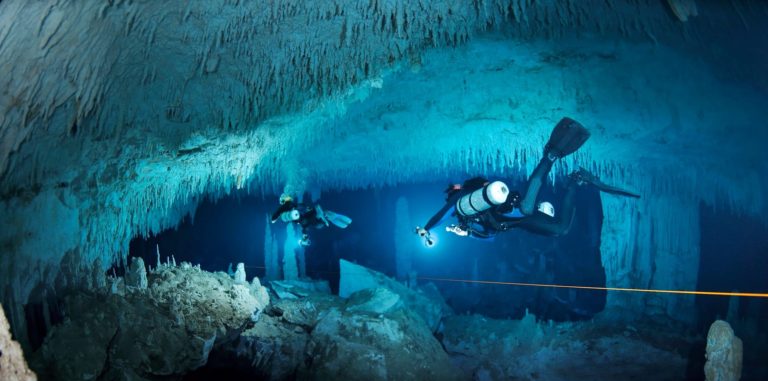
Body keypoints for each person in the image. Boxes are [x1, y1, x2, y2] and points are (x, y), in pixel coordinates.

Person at [416, 117, 639, 245]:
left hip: (513, 211)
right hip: (516, 222)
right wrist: (467, 232)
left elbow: (443, 213)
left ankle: (550, 156)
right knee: (560, 229)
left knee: (526, 207)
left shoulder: (462, 201)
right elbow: (490, 238)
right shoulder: (467, 216)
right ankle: (575, 182)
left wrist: (427, 228)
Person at [271, 194, 352, 246]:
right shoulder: (293, 207)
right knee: (317, 217)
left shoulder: (288, 205)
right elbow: (302, 208)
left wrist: (274, 218)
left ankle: (323, 218)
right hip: (310, 217)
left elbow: (279, 211)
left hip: (310, 219)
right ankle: (325, 217)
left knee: (312, 221)